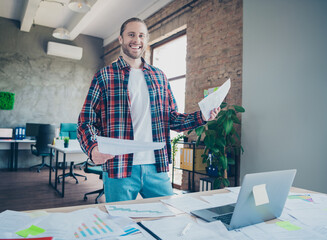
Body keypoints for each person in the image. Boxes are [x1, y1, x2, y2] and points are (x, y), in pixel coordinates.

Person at [77, 17, 220, 203]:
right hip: (119, 167)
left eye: (141, 35)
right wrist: (92, 148)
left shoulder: (159, 77)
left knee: (165, 221)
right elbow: (85, 121)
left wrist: (201, 116)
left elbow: (172, 119)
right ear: (120, 39)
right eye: (131, 35)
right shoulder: (104, 76)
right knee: (120, 224)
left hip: (156, 166)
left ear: (146, 40)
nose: (137, 40)